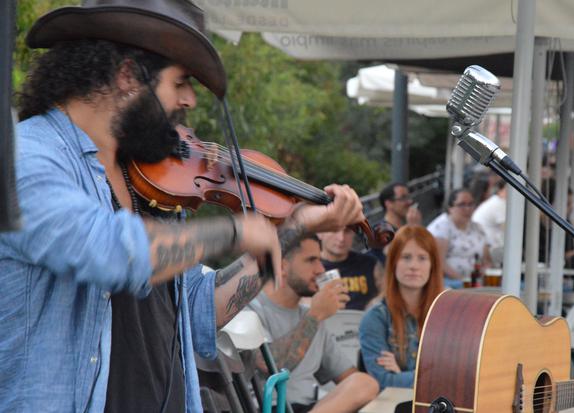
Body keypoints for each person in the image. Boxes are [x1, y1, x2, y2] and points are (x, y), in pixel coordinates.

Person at [0, 1, 364, 411]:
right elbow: (110, 251)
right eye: (180, 82)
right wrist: (232, 230)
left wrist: (292, 228)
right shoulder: (26, 157)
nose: (190, 100)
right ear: (127, 77)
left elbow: (200, 311)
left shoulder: (141, 180)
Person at [246, 235, 379, 413]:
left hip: (311, 408)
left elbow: (349, 378)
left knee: (365, 384)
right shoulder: (250, 310)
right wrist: (315, 315)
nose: (321, 269)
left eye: (320, 261)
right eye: (311, 260)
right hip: (269, 408)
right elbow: (270, 366)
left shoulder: (311, 315)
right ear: (282, 265)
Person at [358, 226, 444, 390]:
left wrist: (400, 377)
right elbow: (382, 381)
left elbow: (453, 375)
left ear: (433, 265)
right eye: (406, 257)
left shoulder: (446, 314)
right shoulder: (375, 318)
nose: (414, 266)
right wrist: (426, 377)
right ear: (393, 263)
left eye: (422, 258)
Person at [427, 188, 490, 288]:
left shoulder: (477, 227)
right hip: (448, 282)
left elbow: (487, 260)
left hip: (475, 282)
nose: (467, 209)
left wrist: (484, 273)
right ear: (450, 208)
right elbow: (438, 262)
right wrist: (464, 280)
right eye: (462, 205)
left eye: (471, 204)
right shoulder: (442, 227)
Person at [319, 227, 383, 310]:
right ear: (319, 232)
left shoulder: (370, 264)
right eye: (334, 230)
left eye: (347, 231)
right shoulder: (308, 267)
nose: (341, 238)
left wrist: (376, 303)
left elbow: (387, 293)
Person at [369, 182, 422, 264]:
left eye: (408, 197)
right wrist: (412, 229)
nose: (409, 201)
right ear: (389, 204)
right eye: (403, 198)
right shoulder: (380, 230)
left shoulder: (405, 225)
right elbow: (395, 260)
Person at [471, 181, 507, 265]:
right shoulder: (499, 204)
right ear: (501, 190)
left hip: (483, 246)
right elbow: (508, 232)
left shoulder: (495, 201)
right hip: (488, 248)